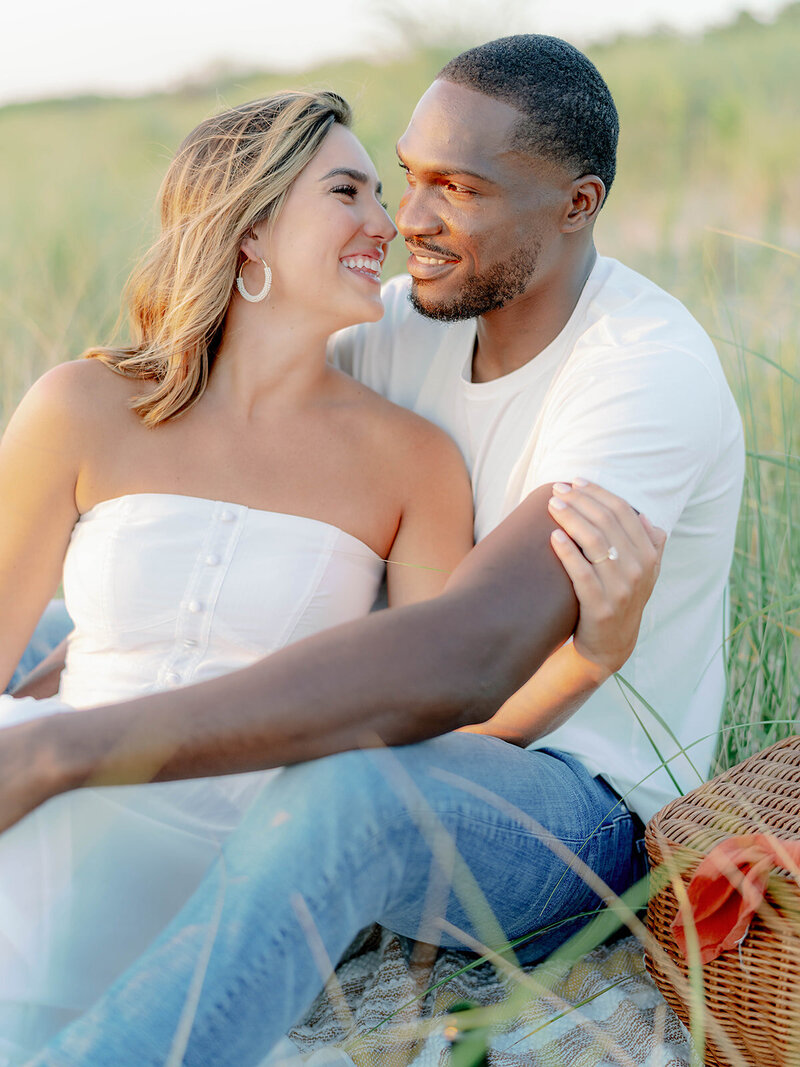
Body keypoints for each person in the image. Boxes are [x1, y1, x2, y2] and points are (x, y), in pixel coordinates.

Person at [5, 34, 741, 1066]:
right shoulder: (392, 320)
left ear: (575, 203)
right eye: (406, 177)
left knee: (350, 792)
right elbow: (214, 467)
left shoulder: (638, 372)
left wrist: (72, 742)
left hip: (568, 797)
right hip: (406, 719)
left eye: (460, 188)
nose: (407, 222)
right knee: (63, 621)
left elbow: (463, 658)